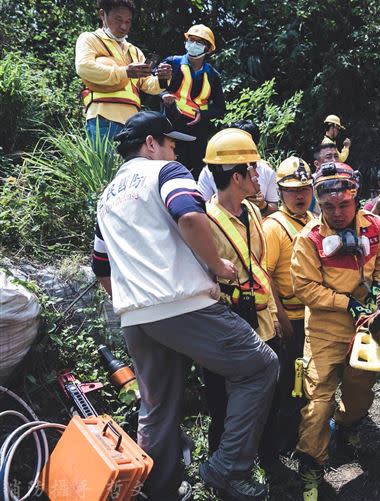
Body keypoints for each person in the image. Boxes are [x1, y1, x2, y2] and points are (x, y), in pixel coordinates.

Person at [90, 111, 276, 501]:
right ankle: (228, 468)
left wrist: (134, 302)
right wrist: (216, 264)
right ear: (152, 144)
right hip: (183, 305)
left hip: (136, 319)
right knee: (259, 366)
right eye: (171, 143)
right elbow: (190, 216)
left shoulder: (105, 198)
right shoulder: (166, 172)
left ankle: (161, 492)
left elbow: (100, 266)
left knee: (157, 410)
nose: (175, 150)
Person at [290, 162, 380, 501]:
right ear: (319, 202)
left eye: (344, 205)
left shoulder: (375, 226)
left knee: (361, 388)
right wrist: (346, 303)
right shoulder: (310, 239)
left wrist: (377, 290)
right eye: (329, 206)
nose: (337, 213)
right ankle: (311, 468)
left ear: (356, 197)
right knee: (318, 402)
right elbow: (304, 288)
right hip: (325, 328)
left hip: (365, 326)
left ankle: (348, 430)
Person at [202, 128, 293, 482]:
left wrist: (278, 316)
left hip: (262, 318)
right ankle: (221, 467)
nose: (258, 176)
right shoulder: (205, 222)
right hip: (228, 325)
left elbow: (259, 267)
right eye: (253, 171)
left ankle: (269, 459)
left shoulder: (253, 214)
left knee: (269, 394)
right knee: (222, 401)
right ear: (236, 177)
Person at [262, 156, 315, 455]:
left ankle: (306, 433)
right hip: (290, 317)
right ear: (280, 192)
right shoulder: (274, 227)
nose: (300, 196)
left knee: (309, 378)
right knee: (288, 383)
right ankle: (283, 443)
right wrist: (279, 318)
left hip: (314, 315)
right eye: (292, 190)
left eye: (305, 189)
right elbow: (265, 275)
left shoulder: (313, 221)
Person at [76, 0, 171, 146]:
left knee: (129, 169)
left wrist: (163, 79)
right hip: (103, 117)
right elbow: (84, 68)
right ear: (102, 15)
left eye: (128, 21)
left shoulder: (134, 51)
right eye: (118, 19)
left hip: (133, 122)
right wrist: (125, 71)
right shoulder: (90, 38)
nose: (123, 26)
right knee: (106, 169)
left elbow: (147, 85)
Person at [160, 24, 226, 178]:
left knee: (197, 174)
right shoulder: (172, 62)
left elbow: (220, 108)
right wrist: (164, 96)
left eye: (199, 42)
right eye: (191, 40)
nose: (193, 45)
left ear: (208, 48)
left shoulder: (213, 75)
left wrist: (202, 114)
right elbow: (155, 86)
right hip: (171, 128)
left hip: (197, 134)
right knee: (172, 172)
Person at [197, 121, 280, 214]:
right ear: (236, 177)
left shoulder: (267, 171)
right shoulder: (210, 171)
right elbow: (201, 207)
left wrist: (263, 206)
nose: (256, 175)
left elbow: (274, 208)